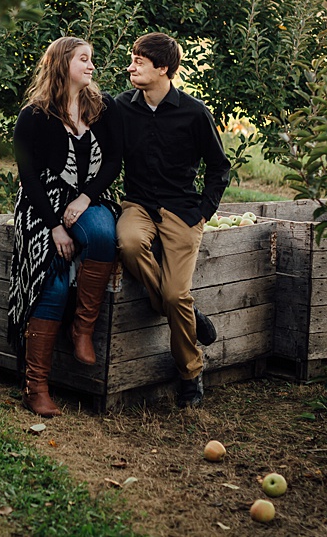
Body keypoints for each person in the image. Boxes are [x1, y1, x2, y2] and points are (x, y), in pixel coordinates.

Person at [6, 36, 123, 418]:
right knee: (52, 280)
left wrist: (85, 198)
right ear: (62, 65)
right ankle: (35, 386)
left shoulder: (100, 109)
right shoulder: (34, 115)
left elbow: (112, 164)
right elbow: (29, 177)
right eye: (84, 60)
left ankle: (82, 329)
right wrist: (56, 226)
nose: (91, 66)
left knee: (105, 235)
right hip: (41, 207)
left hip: (85, 198)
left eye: (92, 59)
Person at [116, 32, 230, 409]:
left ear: (163, 68)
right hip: (138, 205)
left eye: (139, 61)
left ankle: (190, 374)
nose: (130, 66)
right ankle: (188, 315)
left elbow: (219, 167)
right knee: (130, 244)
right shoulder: (121, 108)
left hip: (182, 210)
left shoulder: (195, 113)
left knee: (174, 293)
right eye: (132, 58)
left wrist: (203, 212)